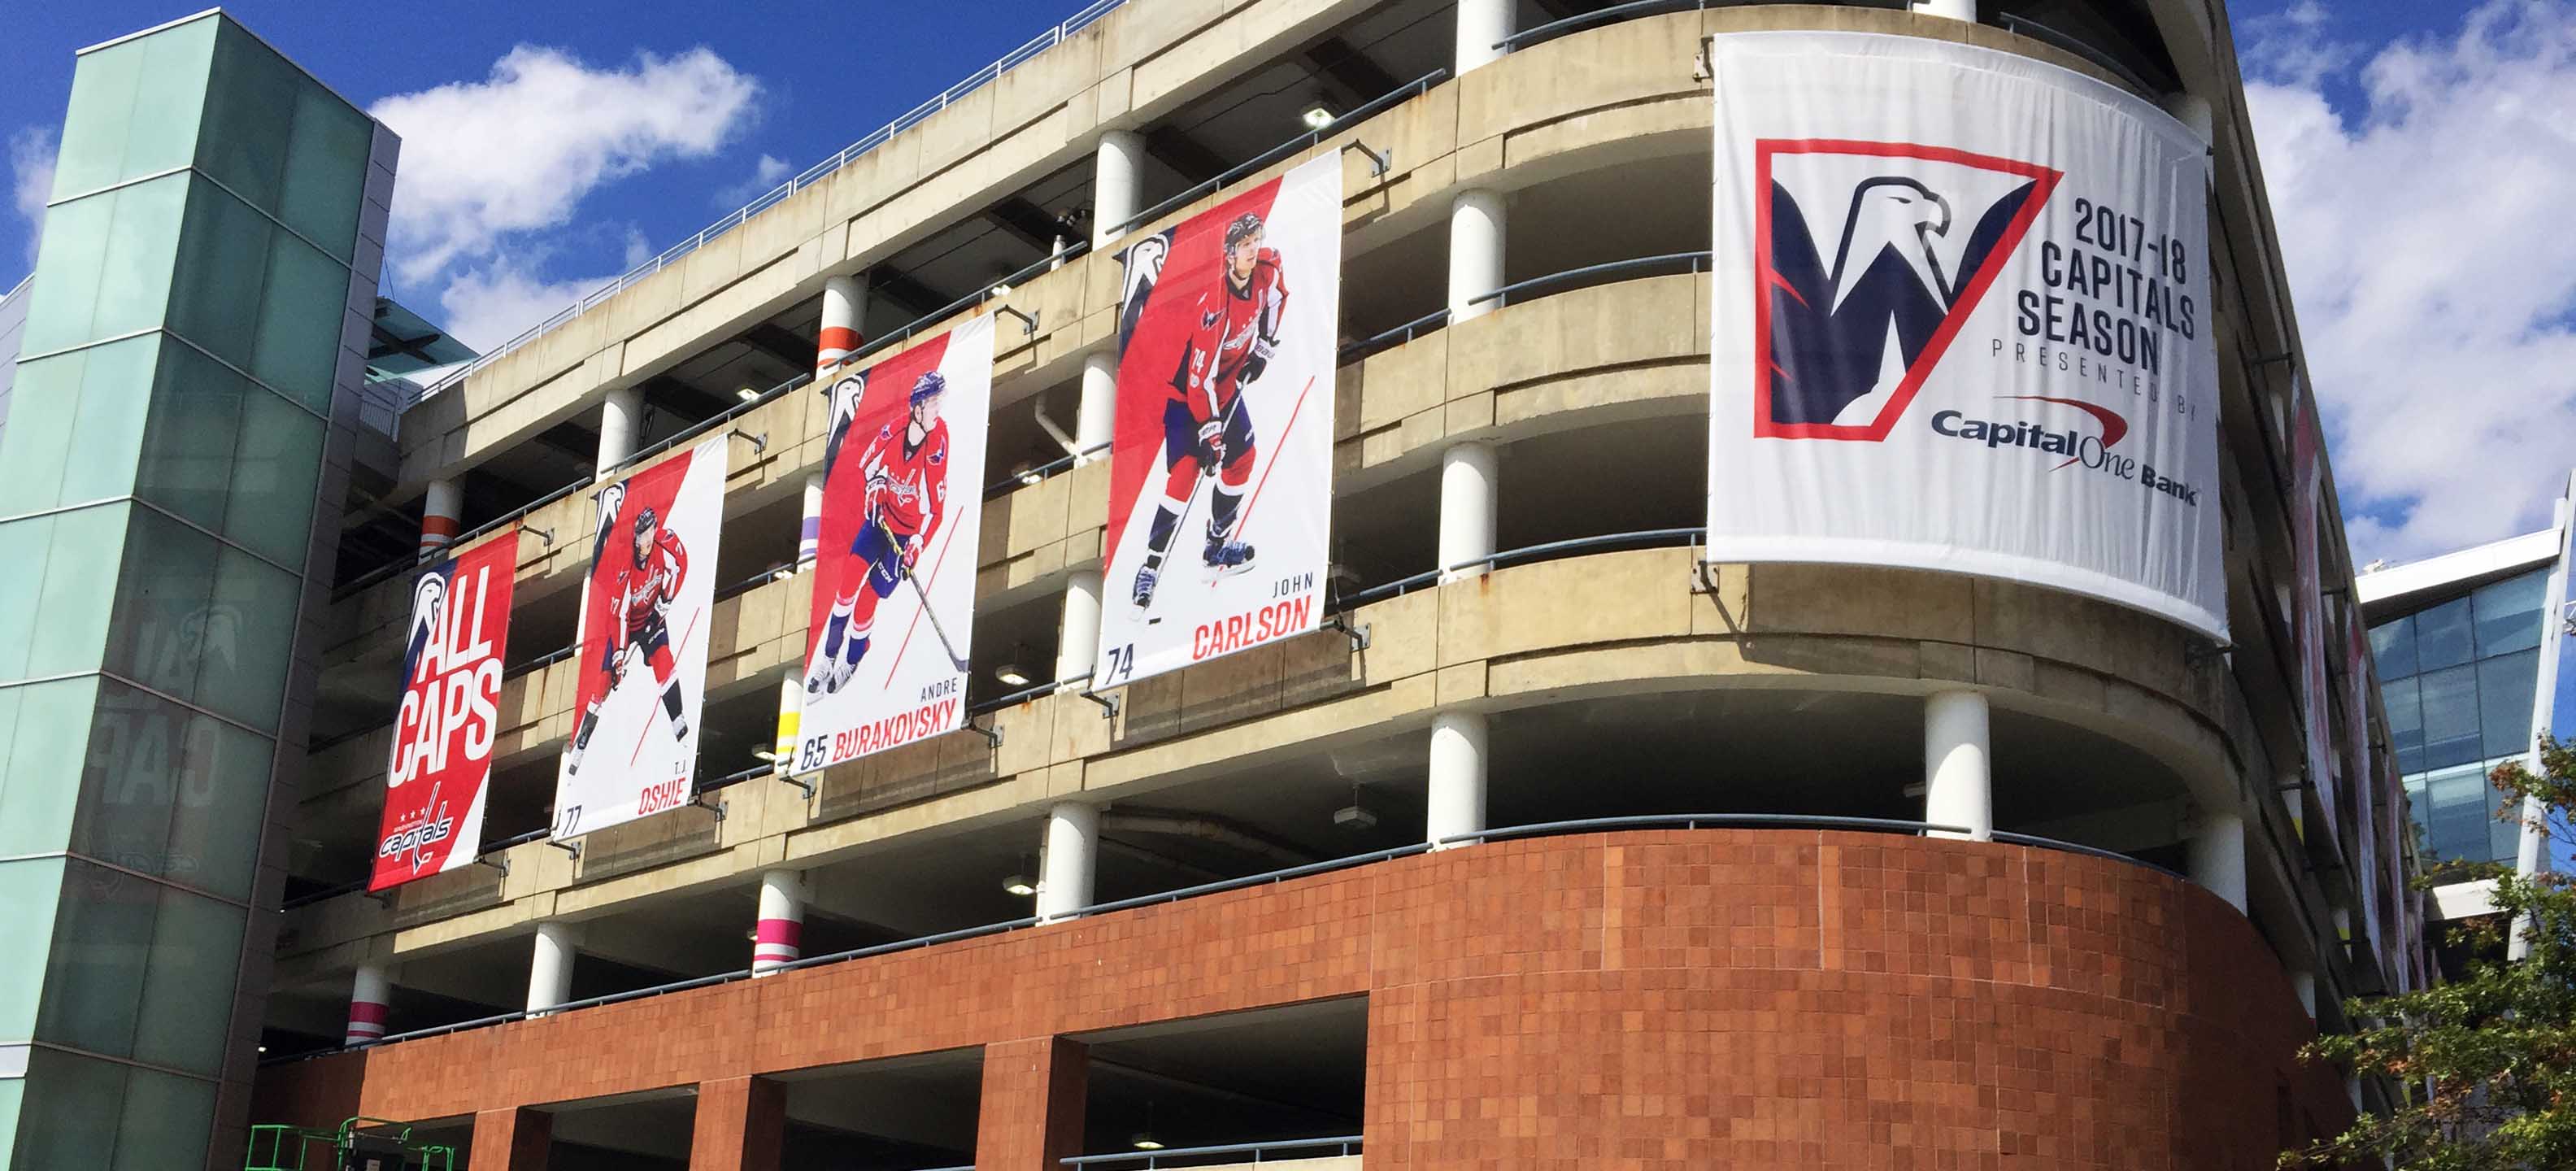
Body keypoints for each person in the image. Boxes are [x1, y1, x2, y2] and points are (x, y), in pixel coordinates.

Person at [1132, 211, 1287, 609]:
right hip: (1188, 398)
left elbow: (1278, 297)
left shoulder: (1267, 268)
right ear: (1229, 254)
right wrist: (1210, 432)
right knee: (1186, 475)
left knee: (1244, 458)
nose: (1253, 250)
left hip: (1226, 386)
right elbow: (1198, 380)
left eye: (1256, 241)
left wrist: (1265, 347)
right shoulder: (1215, 307)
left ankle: (1216, 547)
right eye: (1244, 245)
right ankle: (1149, 567)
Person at [806, 368, 951, 696]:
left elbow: (935, 511)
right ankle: (828, 657)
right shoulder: (895, 429)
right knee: (846, 588)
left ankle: (853, 658)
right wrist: (876, 484)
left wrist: (916, 544)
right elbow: (867, 463)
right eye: (933, 403)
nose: (938, 410)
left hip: (904, 537)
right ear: (917, 408)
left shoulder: (938, 441)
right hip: (879, 521)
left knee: (867, 600)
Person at [566, 505, 691, 776]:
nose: (644, 541)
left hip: (652, 618)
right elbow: (619, 615)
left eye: (647, 534)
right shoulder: (625, 565)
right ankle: (582, 745)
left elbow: (681, 567)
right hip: (627, 626)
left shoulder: (667, 544)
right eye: (639, 536)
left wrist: (665, 601)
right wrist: (620, 656)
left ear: (654, 530)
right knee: (603, 683)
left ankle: (677, 718)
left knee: (664, 659)